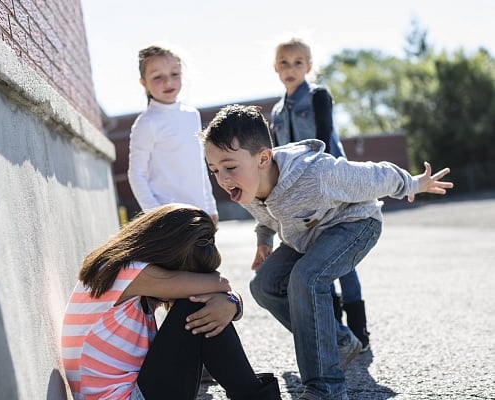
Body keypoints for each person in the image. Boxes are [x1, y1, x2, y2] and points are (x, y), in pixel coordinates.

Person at [200, 105, 453, 400]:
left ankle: (327, 388)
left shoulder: (316, 173)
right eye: (214, 170)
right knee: (264, 286)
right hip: (308, 236)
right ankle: (339, 341)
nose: (223, 178)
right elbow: (266, 216)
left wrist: (412, 183)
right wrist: (264, 240)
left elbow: (374, 175)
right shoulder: (246, 183)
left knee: (306, 278)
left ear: (263, 158)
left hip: (356, 224)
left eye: (229, 167)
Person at [61, 203, 281, 400]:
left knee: (202, 305)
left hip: (132, 392)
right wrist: (230, 301)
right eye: (187, 275)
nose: (186, 285)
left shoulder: (120, 272)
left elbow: (221, 289)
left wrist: (232, 303)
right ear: (167, 254)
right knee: (196, 304)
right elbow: (219, 283)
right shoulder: (128, 272)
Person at [270, 37, 369, 351]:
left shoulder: (318, 96)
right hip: (299, 196)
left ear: (309, 67)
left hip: (332, 187)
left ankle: (359, 331)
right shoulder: (275, 111)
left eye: (298, 62)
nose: (291, 68)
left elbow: (325, 139)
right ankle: (338, 333)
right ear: (275, 67)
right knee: (316, 259)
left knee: (343, 261)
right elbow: (277, 155)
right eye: (284, 62)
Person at [128, 45, 218, 224]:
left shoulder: (192, 115)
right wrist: (156, 215)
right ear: (144, 83)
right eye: (157, 77)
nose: (168, 82)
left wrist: (211, 207)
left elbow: (199, 166)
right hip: (169, 218)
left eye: (174, 74)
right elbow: (136, 174)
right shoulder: (146, 123)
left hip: (200, 213)